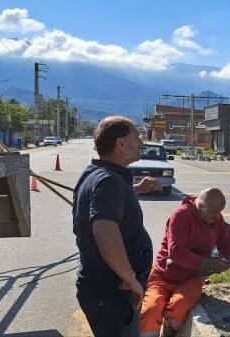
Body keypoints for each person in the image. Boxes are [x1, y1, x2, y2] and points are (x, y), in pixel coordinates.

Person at [72, 116, 162, 336]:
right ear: (121, 144)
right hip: (113, 293)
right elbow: (104, 232)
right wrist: (131, 279)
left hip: (108, 291)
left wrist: (136, 190)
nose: (141, 142)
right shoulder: (109, 182)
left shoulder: (100, 175)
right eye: (137, 136)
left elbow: (107, 206)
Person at [140, 188, 230, 337]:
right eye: (214, 213)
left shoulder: (215, 217)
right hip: (164, 276)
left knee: (177, 312)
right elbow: (177, 253)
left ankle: (168, 331)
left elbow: (225, 239)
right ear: (200, 207)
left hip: (191, 278)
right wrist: (209, 264)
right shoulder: (180, 216)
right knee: (151, 311)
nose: (218, 216)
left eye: (219, 212)